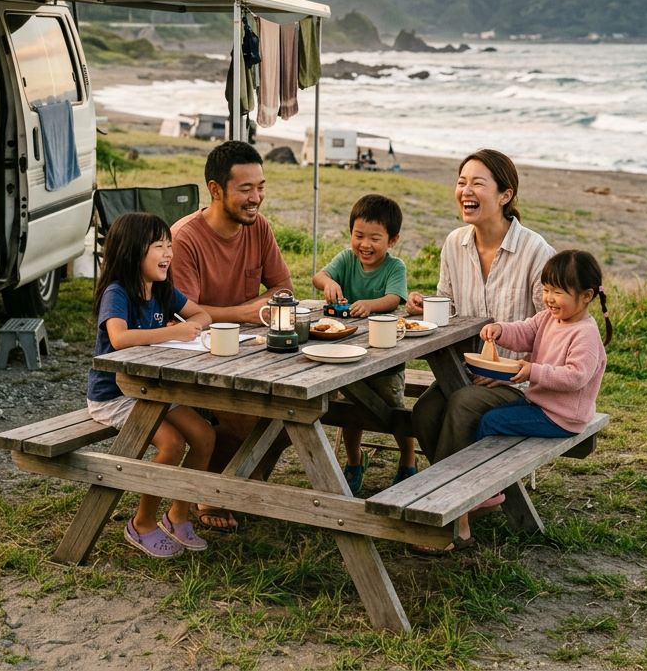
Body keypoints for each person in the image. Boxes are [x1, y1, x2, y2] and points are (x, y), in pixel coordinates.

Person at [407, 149, 555, 549]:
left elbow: (553, 328)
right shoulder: (455, 244)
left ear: (505, 195)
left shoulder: (536, 252)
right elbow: (450, 310)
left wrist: (514, 369)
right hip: (465, 371)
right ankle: (471, 495)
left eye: (476, 183)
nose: (465, 191)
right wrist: (426, 310)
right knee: (424, 412)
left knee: (461, 407)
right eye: (460, 182)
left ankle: (452, 519)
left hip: (520, 380)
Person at [443, 250, 609, 551]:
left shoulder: (584, 333)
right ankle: (469, 487)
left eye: (558, 292)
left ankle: (486, 490)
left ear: (586, 296)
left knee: (491, 421)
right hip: (541, 406)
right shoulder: (548, 319)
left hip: (563, 417)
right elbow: (525, 332)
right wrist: (501, 330)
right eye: (546, 290)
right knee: (487, 416)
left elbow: (575, 377)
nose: (549, 299)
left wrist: (534, 371)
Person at [171, 140, 294, 529]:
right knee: (250, 417)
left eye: (260, 186)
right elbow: (186, 313)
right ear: (216, 189)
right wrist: (246, 313)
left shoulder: (259, 227)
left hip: (252, 349)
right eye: (246, 189)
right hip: (197, 354)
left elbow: (284, 289)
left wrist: (241, 315)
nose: (256, 197)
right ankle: (219, 493)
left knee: (297, 416)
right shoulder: (185, 238)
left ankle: (243, 480)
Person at [87, 212, 215, 559]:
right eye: (158, 246)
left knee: (204, 436)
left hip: (153, 392)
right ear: (132, 252)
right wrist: (173, 332)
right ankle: (141, 524)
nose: (168, 254)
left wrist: (194, 325)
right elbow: (119, 337)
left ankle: (177, 516)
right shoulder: (118, 293)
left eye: (169, 245)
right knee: (172, 445)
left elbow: (203, 315)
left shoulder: (162, 291)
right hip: (114, 395)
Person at [313, 194, 414, 493]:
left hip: (385, 355)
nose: (365, 244)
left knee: (395, 409)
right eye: (359, 236)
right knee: (351, 410)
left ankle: (408, 461)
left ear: (392, 240)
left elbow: (394, 299)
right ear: (351, 234)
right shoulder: (346, 259)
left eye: (375, 238)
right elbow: (320, 275)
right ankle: (355, 461)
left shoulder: (395, 268)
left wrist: (370, 304)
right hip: (347, 352)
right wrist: (329, 283)